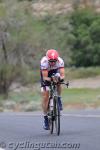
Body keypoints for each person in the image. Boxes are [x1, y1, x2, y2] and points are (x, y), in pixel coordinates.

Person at [40, 49, 65, 130]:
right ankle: (45, 118)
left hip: (55, 72)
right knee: (45, 96)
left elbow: (62, 75)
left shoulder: (60, 61)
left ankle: (58, 98)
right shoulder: (44, 62)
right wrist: (50, 80)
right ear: (48, 59)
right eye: (51, 61)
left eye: (55, 61)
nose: (53, 62)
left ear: (57, 59)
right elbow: (45, 77)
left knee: (59, 81)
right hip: (46, 73)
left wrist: (59, 79)